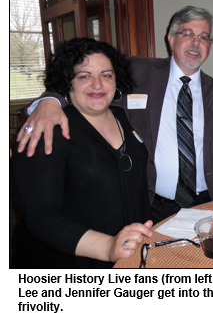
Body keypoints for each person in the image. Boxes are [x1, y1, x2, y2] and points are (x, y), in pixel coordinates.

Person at [16, 6, 213, 224]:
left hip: (206, 202)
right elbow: (83, 78)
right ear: (171, 39)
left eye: (203, 37)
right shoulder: (137, 70)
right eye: (187, 34)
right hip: (150, 204)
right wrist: (49, 101)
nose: (195, 43)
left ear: (210, 46)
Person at [12, 38, 153, 268]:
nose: (97, 84)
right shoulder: (47, 131)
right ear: (67, 83)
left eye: (106, 75)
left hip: (127, 253)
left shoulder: (122, 117)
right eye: (84, 76)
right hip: (71, 262)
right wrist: (107, 247)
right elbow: (41, 218)